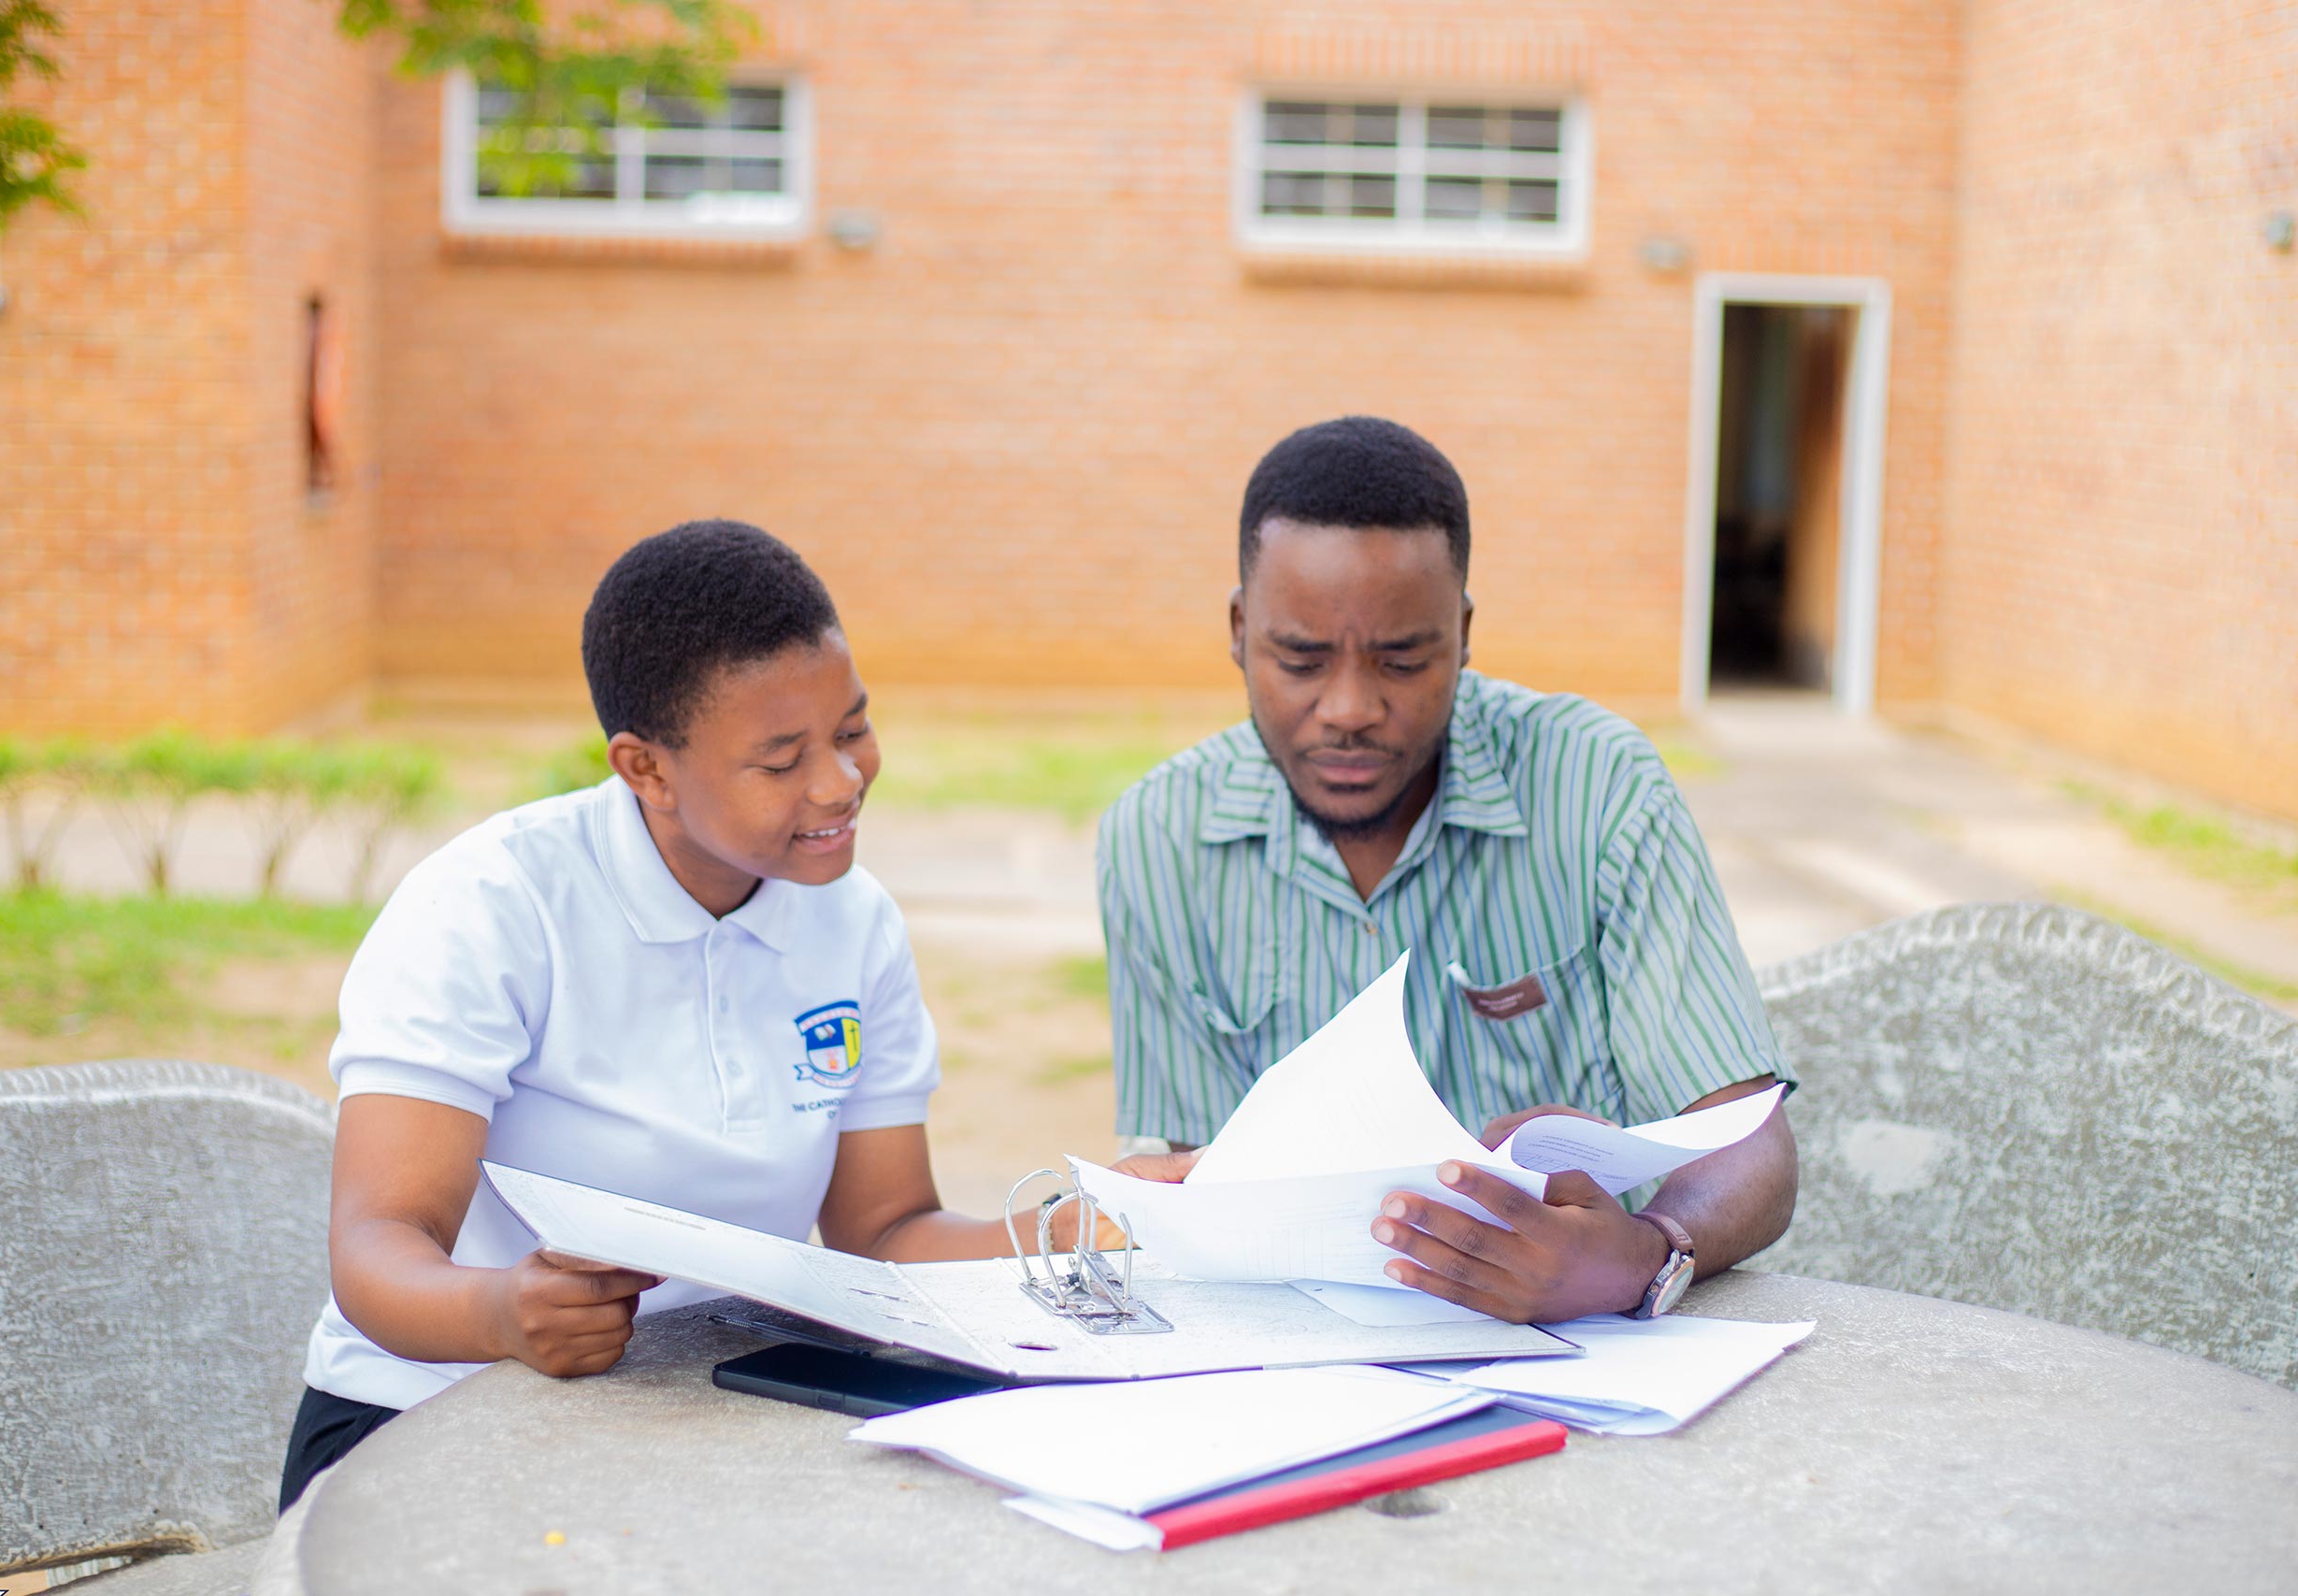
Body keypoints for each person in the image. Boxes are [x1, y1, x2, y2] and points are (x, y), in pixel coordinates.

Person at [284, 520, 1183, 1509]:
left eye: (850, 730)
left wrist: (1074, 1225)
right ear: (646, 770)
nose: (840, 782)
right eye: (781, 759)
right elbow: (376, 1247)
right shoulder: (491, 907)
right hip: (430, 1416)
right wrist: (501, 1310)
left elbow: (884, 1230)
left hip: (699, 1416)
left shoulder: (852, 921)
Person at [1099, 417, 1797, 1326]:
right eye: (1301, 659)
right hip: (1308, 1363)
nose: (1349, 709)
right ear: (1238, 630)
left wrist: (1645, 1254)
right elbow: (1210, 1187)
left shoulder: (1597, 790)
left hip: (1583, 1350)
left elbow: (1747, 1141)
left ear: (1462, 634)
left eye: (1402, 658)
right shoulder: (1157, 842)